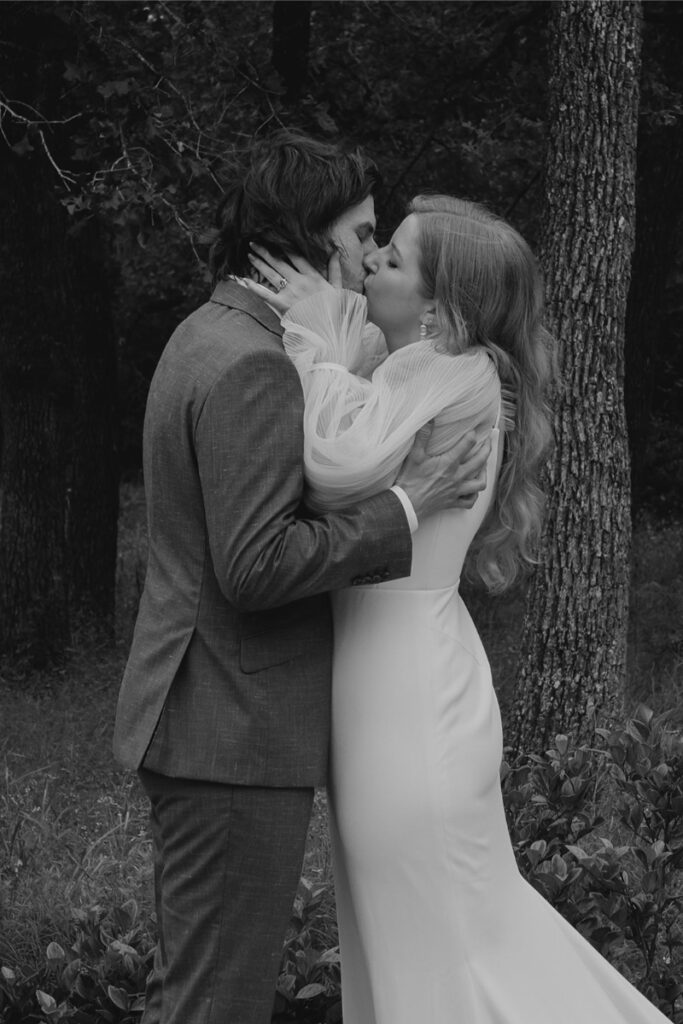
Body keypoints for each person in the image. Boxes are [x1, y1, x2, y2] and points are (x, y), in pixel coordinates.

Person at [246, 195, 672, 1023]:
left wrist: (315, 345)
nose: (370, 263)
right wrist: (330, 322)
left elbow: (334, 462)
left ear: (441, 311)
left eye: (393, 260)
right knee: (417, 935)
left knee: (441, 942)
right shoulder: (412, 361)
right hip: (389, 687)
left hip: (408, 701)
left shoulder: (458, 375)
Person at [112, 134, 491, 1024]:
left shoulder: (209, 330)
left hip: (203, 718)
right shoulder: (252, 364)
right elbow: (253, 566)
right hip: (231, 732)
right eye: (361, 234)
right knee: (218, 1006)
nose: (369, 254)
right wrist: (405, 504)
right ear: (310, 236)